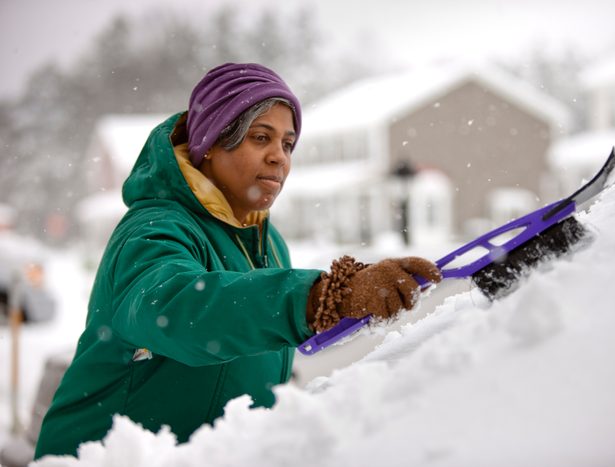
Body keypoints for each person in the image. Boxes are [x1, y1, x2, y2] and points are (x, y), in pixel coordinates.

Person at [34, 63, 441, 460]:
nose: (279, 157)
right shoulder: (155, 228)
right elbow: (178, 311)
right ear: (210, 142)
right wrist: (325, 296)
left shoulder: (267, 242)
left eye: (287, 143)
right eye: (260, 137)